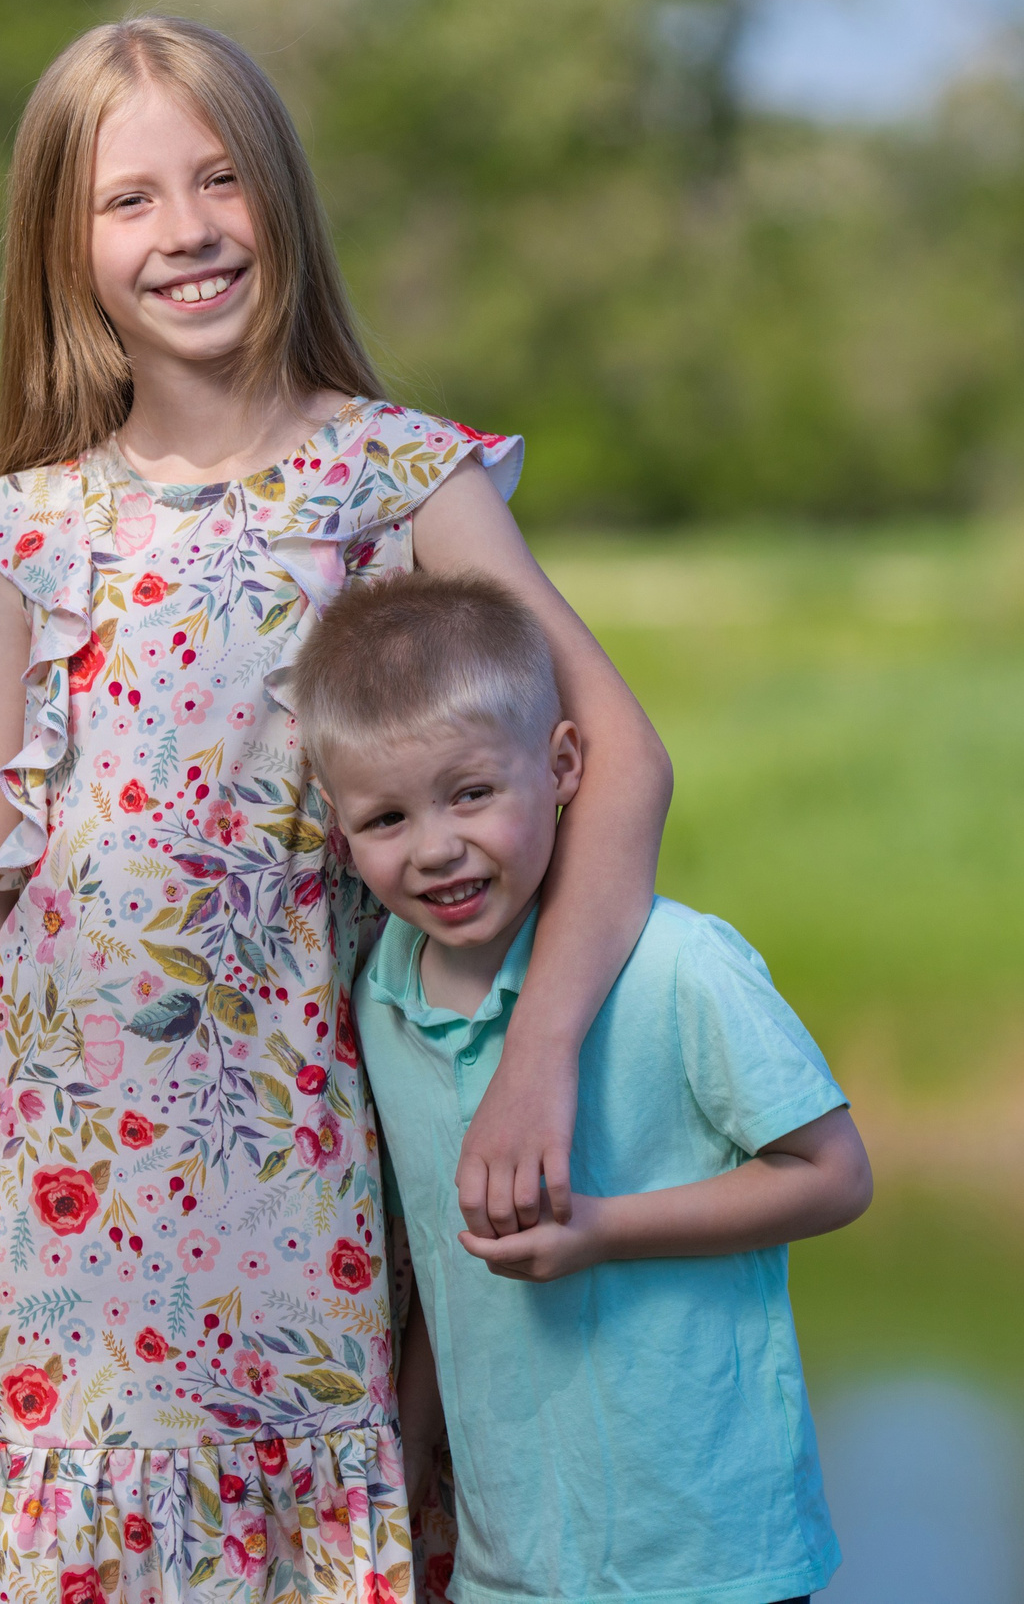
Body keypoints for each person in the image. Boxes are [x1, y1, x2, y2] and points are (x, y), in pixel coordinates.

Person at [0, 16, 673, 1604]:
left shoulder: (400, 482)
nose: (191, 230)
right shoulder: (34, 532)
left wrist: (537, 1067)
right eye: (131, 200)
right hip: (48, 1226)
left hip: (303, 1205)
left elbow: (621, 759)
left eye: (221, 181)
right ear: (63, 247)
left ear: (278, 199)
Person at [292, 572, 873, 1604]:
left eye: (471, 793)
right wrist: (406, 1453)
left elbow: (832, 1177)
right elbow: (444, 1256)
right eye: (386, 818)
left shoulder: (679, 967)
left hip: (708, 1557)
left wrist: (603, 1229)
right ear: (337, 826)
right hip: (509, 1566)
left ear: (560, 765)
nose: (436, 847)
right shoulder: (380, 1002)